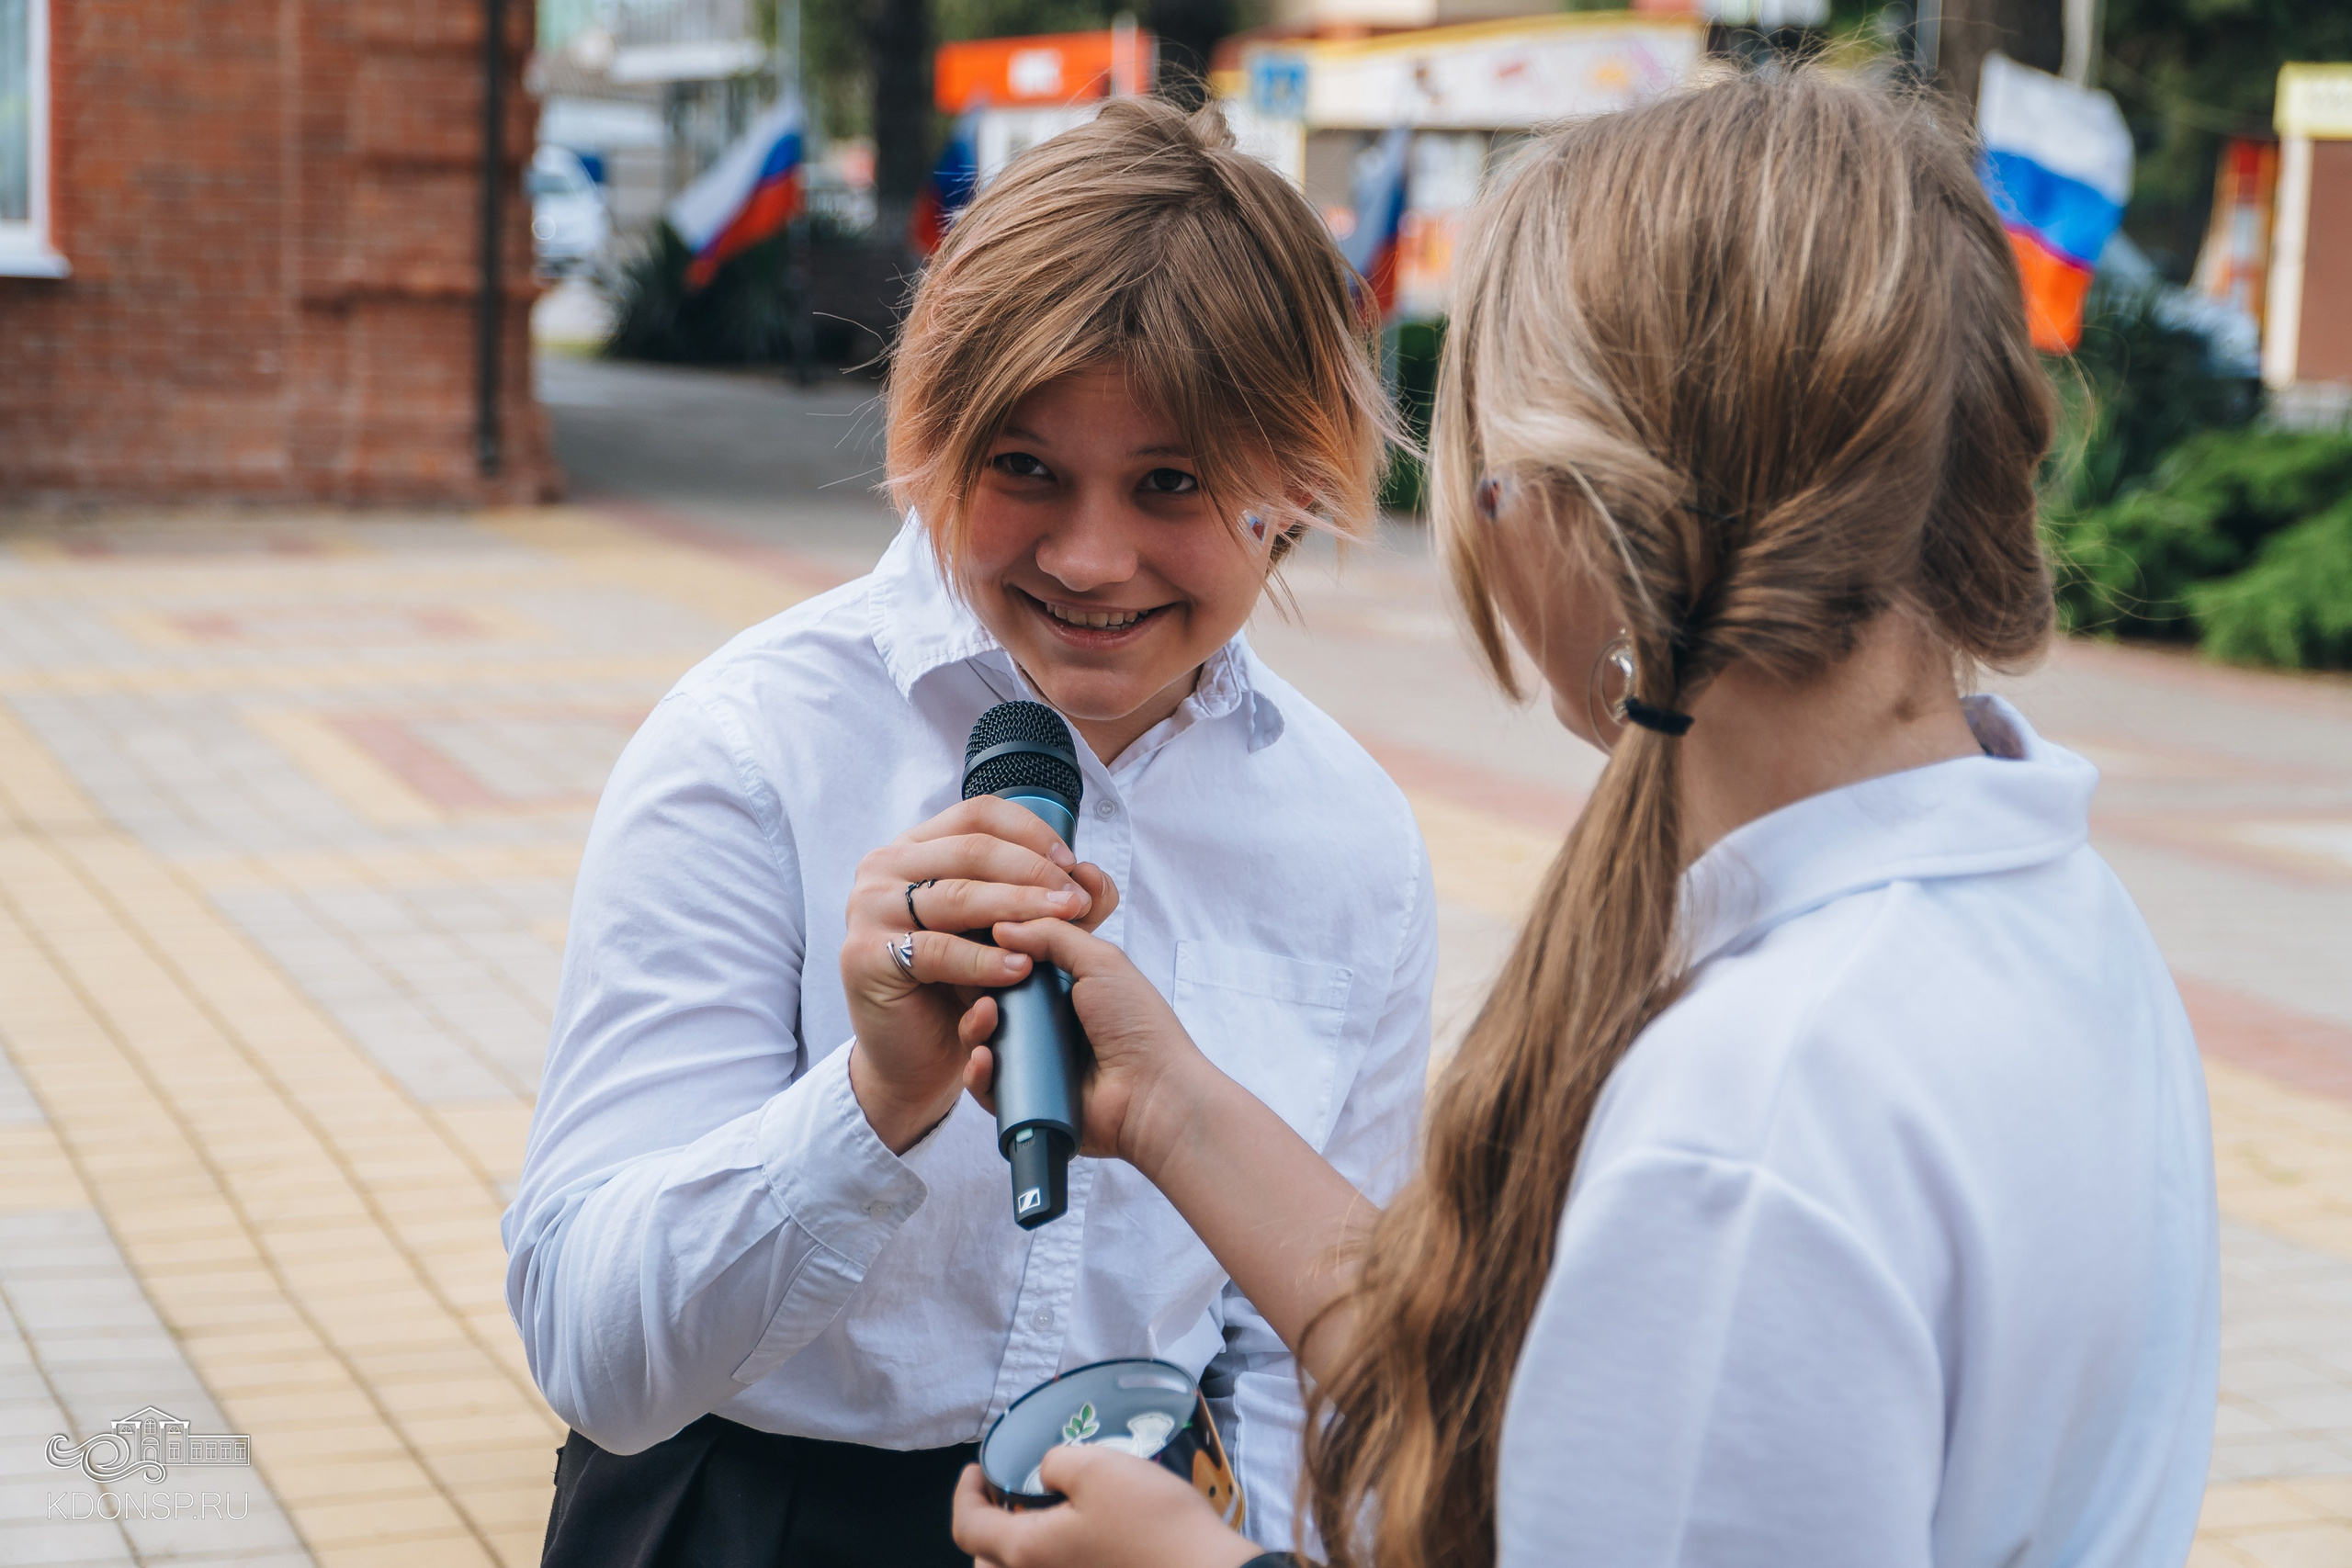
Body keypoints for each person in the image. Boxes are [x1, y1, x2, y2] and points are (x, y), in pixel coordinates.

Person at [948, 72, 2220, 1568]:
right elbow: (1539, 1405)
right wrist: (1170, 1106)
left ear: (1589, 502)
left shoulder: (1754, 1128)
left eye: (1483, 460)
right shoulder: (2047, 903)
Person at [503, 98, 1437, 1566]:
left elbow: (1310, 1352)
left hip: (1155, 1525)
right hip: (755, 1514)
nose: (1088, 556)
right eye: (1025, 469)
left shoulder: (1350, 835)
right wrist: (867, 1097)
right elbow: (594, 1353)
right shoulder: (754, 747)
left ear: (1299, 488)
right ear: (928, 441)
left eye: (1173, 483)